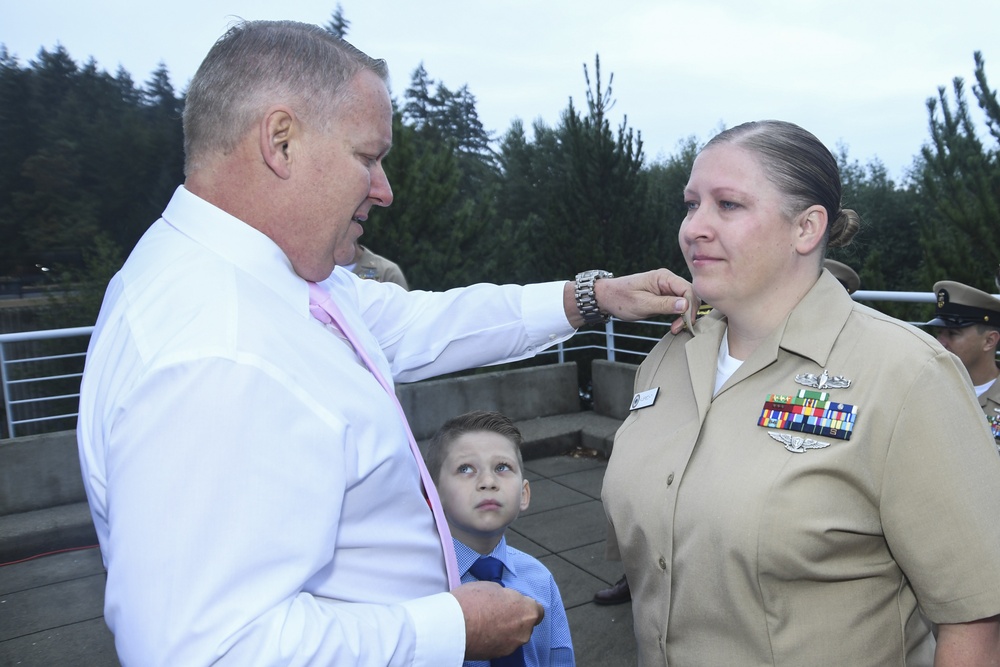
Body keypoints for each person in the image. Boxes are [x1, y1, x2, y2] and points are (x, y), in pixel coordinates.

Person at [75, 20, 696, 667]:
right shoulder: (218, 351)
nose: (385, 189)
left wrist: (595, 297)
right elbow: (203, 650)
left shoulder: (276, 282)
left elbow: (428, 322)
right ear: (280, 141)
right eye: (367, 157)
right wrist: (449, 627)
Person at [601, 120, 1000, 665]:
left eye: (729, 205)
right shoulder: (668, 358)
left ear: (807, 228)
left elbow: (973, 622)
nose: (694, 227)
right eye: (691, 204)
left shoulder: (905, 374)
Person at [427, 410, 575, 667]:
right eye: (465, 469)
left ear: (524, 494)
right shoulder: (421, 589)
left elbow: (559, 658)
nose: (487, 481)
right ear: (434, 492)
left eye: (502, 467)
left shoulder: (540, 579)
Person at [924, 279, 1000, 450]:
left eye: (952, 333)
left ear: (989, 341)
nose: (940, 342)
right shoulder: (925, 386)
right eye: (940, 333)